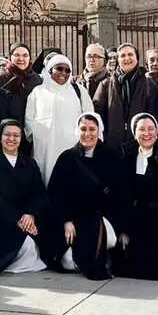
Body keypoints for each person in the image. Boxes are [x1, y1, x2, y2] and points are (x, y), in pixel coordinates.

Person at [41, 113, 122, 280]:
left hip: (100, 216)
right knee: (67, 262)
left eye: (92, 129)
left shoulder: (111, 157)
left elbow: (119, 193)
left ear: (99, 131)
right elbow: (56, 194)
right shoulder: (67, 158)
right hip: (72, 217)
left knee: (103, 238)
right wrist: (66, 220)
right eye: (83, 129)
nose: (87, 134)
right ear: (77, 131)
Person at [114, 113, 158, 280]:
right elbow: (122, 197)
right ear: (134, 133)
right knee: (126, 269)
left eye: (151, 129)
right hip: (135, 220)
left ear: (157, 132)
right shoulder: (127, 155)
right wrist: (123, 230)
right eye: (142, 129)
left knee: (157, 270)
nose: (147, 133)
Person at [0, 120, 48, 275]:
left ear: (21, 138)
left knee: (35, 245)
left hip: (27, 221)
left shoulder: (30, 164)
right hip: (1, 223)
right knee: (27, 245)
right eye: (7, 134)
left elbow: (39, 193)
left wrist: (30, 215)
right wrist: (19, 221)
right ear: (0, 137)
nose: (11, 139)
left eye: (16, 135)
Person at [26, 54, 96, 185]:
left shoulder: (79, 91)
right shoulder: (38, 92)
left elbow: (90, 116)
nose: (63, 73)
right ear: (50, 70)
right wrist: (39, 136)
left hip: (72, 147)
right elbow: (28, 121)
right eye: (59, 68)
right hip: (45, 150)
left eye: (67, 70)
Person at [93, 43, 158, 155]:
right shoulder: (106, 84)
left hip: (141, 146)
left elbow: (154, 115)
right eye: (122, 55)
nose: (127, 58)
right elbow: (98, 114)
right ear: (118, 60)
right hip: (112, 147)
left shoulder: (150, 85)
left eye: (130, 54)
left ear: (137, 58)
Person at [0, 43, 42, 121]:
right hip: (5, 124)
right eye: (17, 55)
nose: (21, 59)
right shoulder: (1, 76)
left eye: (25, 55)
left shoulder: (36, 79)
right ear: (10, 57)